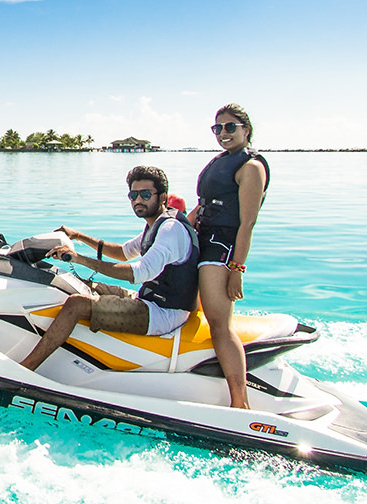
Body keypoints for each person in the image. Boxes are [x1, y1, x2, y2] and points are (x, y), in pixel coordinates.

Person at [17, 165, 199, 372]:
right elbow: (124, 252)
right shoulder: (156, 224)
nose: (138, 200)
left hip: (164, 314)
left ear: (163, 197)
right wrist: (79, 236)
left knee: (76, 304)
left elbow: (138, 272)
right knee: (75, 284)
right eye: (133, 195)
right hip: (149, 299)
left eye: (145, 194)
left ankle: (25, 369)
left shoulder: (170, 229)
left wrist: (80, 259)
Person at [188, 104, 269, 409]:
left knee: (220, 324)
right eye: (218, 128)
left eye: (230, 127)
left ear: (246, 130)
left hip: (221, 250)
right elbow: (203, 205)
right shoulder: (221, 161)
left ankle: (240, 403)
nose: (223, 133)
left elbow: (248, 222)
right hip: (201, 241)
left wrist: (237, 268)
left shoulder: (251, 167)